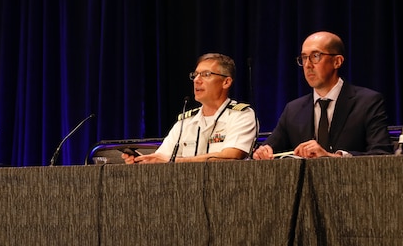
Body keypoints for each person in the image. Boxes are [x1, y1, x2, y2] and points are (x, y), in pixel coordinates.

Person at [253, 31, 393, 159]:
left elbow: (381, 155)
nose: (308, 65)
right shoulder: (293, 109)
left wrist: (331, 157)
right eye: (304, 58)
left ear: (337, 61)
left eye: (315, 56)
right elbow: (270, 147)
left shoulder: (367, 102)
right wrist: (262, 152)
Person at [122, 53, 257, 164]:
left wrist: (174, 161)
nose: (197, 80)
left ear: (226, 82)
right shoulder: (186, 121)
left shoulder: (241, 115)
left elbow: (231, 157)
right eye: (195, 75)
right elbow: (162, 158)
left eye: (206, 75)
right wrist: (142, 160)